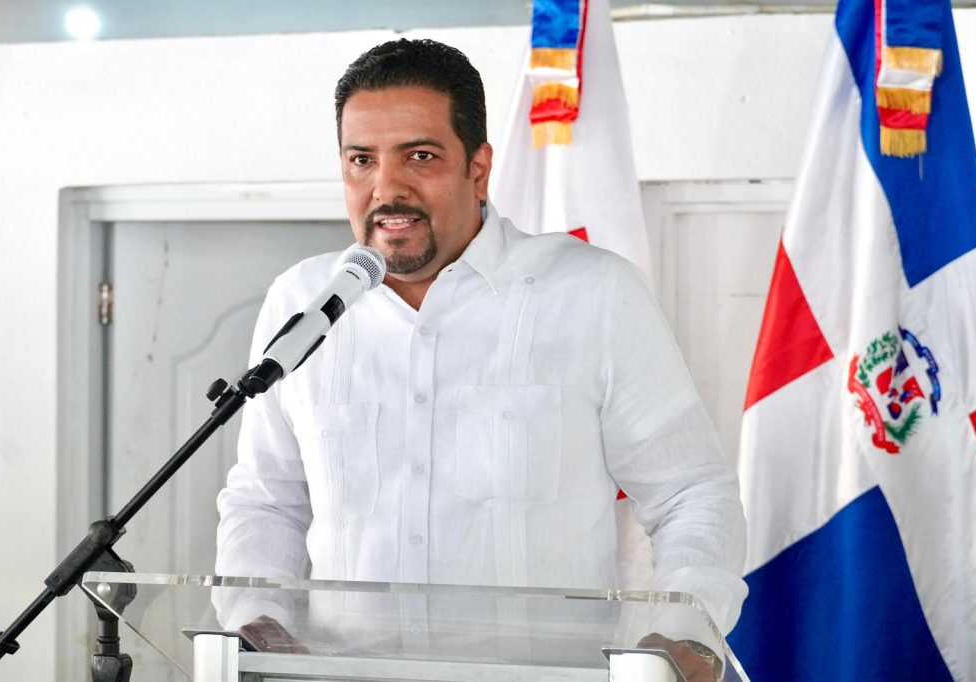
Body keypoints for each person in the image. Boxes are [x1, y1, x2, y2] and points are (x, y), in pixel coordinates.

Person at [215, 38, 746, 678]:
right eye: (361, 160)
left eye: (420, 156)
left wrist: (683, 632)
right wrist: (255, 616)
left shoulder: (592, 294)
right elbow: (266, 500)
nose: (387, 188)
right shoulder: (301, 303)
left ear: (478, 167)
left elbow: (692, 492)